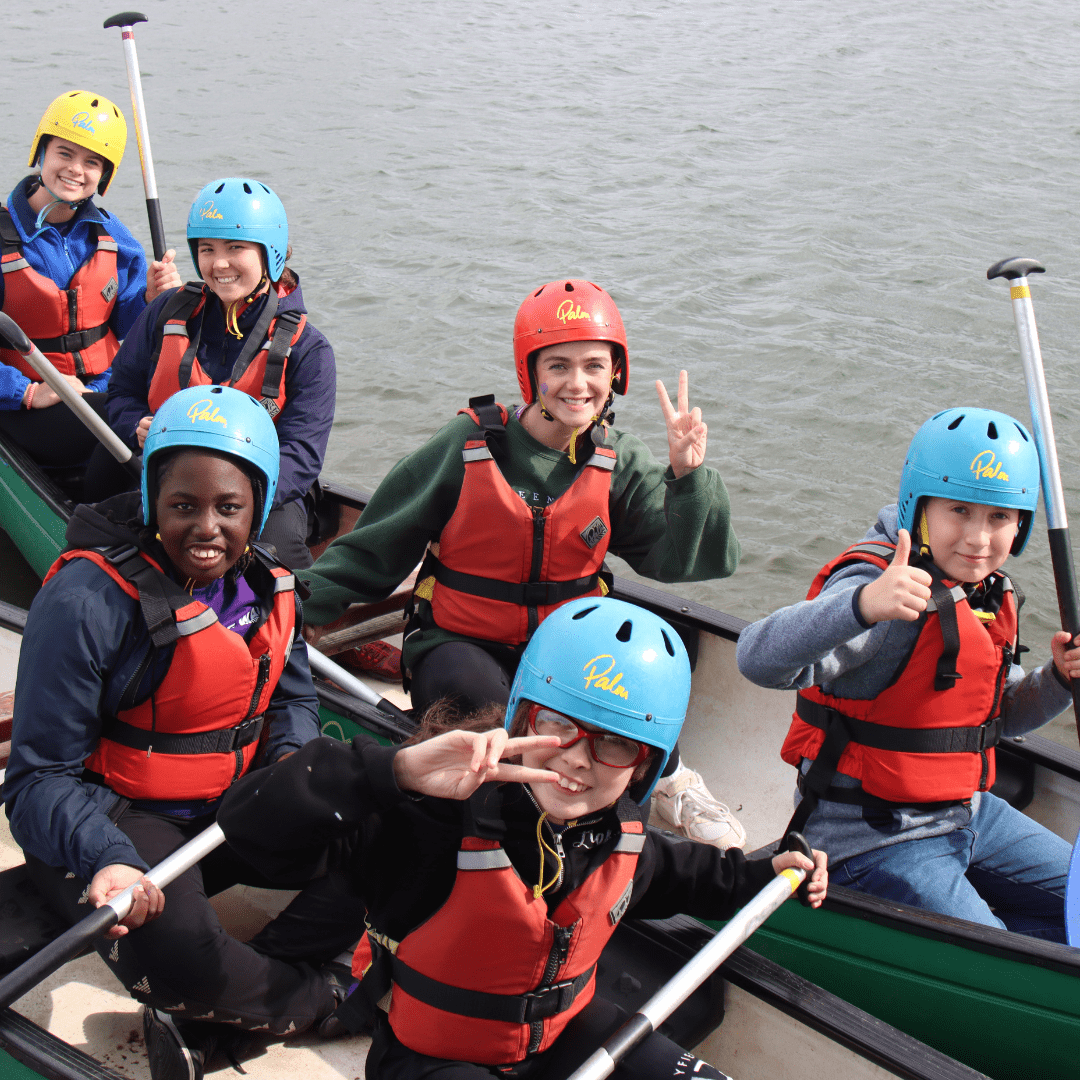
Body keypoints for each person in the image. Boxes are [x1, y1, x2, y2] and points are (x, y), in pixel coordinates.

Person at [217, 596, 828, 1079]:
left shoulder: (622, 837)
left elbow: (700, 878)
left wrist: (776, 870)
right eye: (558, 724)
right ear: (523, 717)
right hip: (434, 1059)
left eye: (615, 743)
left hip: (567, 1037)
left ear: (646, 764)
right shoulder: (428, 822)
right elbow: (249, 823)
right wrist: (392, 772)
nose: (579, 760)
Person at [301, 278, 746, 847]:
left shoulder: (620, 457)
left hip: (567, 642)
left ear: (617, 374)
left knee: (622, 703)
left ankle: (671, 779)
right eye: (557, 365)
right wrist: (294, 599)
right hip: (460, 640)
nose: (577, 383)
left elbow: (681, 561)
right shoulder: (470, 442)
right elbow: (378, 544)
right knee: (492, 730)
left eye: (594, 365)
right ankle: (515, 837)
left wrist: (688, 478)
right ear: (530, 373)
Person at [4, 385, 360, 1080]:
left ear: (257, 507)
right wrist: (109, 856)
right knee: (180, 952)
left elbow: (290, 701)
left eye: (229, 508)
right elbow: (38, 780)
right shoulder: (85, 601)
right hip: (120, 821)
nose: (207, 529)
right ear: (149, 500)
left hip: (232, 808)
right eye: (182, 506)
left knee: (384, 831)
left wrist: (291, 770)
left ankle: (227, 1008)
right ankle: (317, 996)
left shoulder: (269, 584)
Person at [736, 407, 1080, 942]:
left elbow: (992, 718)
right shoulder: (881, 589)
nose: (978, 538)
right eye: (959, 510)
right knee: (1012, 952)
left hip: (967, 813)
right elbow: (757, 658)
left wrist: (1056, 679)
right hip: (873, 838)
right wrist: (862, 606)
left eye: (999, 518)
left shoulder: (983, 589)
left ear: (1022, 524)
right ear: (918, 506)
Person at [102, 177, 337, 568]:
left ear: (271, 253)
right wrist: (137, 425)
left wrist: (232, 505)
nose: (219, 264)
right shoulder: (165, 313)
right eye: (207, 249)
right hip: (165, 480)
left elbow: (301, 456)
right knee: (98, 535)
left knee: (279, 566)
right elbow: (122, 391)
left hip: (260, 495)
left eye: (235, 248)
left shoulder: (310, 351)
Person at [0, 90, 180, 476]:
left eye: (92, 162)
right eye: (65, 153)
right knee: (136, 431)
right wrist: (28, 392)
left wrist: (151, 298)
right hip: (26, 405)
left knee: (178, 414)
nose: (76, 170)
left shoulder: (111, 234)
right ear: (41, 152)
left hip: (103, 390)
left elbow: (129, 329)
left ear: (105, 175)